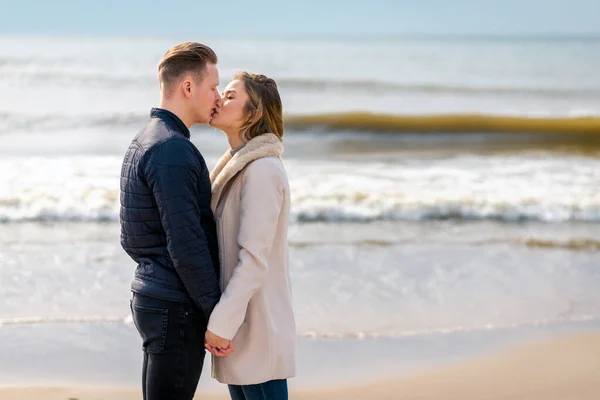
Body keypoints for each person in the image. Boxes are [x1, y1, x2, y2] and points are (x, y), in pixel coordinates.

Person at [120, 42, 221, 400]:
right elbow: (186, 242)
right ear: (188, 87)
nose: (218, 97)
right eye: (213, 87)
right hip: (173, 306)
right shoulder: (172, 148)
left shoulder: (147, 137)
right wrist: (216, 311)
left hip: (155, 295)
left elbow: (131, 236)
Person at [205, 71, 296, 400]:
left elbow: (253, 261)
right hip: (242, 327)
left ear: (253, 113)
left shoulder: (261, 171)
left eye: (229, 96)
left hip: (258, 328)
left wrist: (221, 323)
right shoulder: (240, 165)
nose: (218, 99)